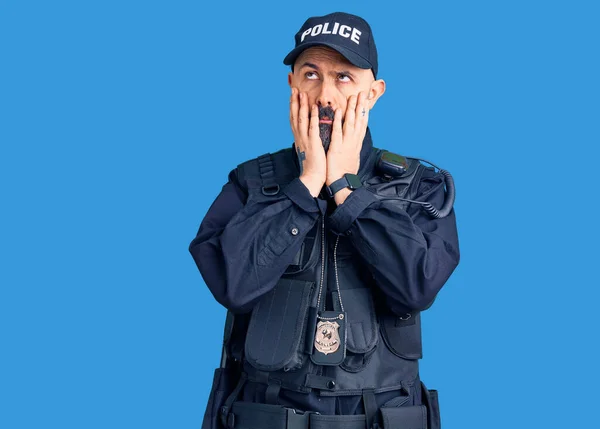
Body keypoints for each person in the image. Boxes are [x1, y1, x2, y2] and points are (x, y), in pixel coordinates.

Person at [189, 11, 460, 429]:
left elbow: (415, 288)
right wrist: (306, 185)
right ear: (292, 84)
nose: (326, 96)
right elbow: (234, 285)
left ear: (374, 92)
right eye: (311, 74)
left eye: (344, 77)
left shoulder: (420, 189)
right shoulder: (248, 184)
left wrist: (345, 192)